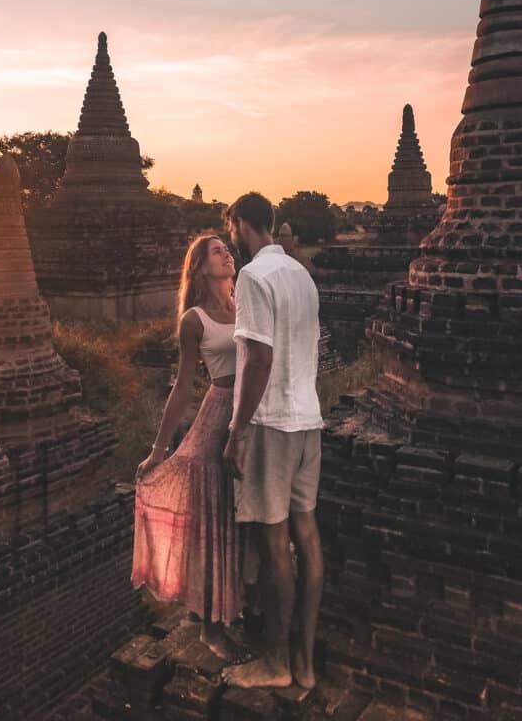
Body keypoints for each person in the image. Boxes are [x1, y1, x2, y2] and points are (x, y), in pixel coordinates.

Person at [221, 192, 324, 690]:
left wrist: (237, 431)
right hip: (308, 421)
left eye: (232, 230)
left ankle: (276, 662)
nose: (232, 240)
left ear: (241, 224)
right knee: (308, 537)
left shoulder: (253, 276)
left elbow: (258, 360)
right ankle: (305, 663)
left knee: (275, 542)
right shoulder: (302, 276)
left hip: (272, 424)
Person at [131, 233, 242, 657]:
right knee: (214, 519)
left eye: (227, 249)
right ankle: (209, 626)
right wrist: (159, 451)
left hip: (251, 415)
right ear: (199, 269)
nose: (227, 254)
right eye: (217, 252)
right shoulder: (194, 319)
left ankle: (235, 606)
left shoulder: (245, 303)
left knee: (243, 518)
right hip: (216, 419)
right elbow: (181, 388)